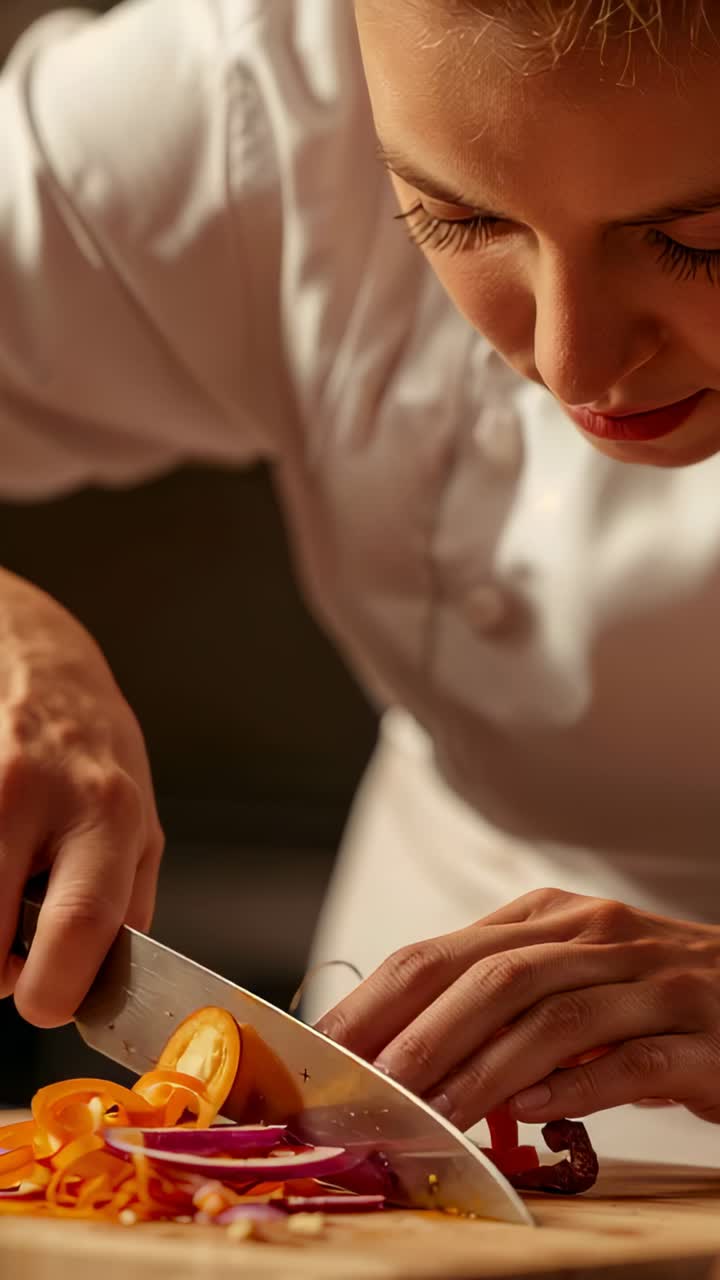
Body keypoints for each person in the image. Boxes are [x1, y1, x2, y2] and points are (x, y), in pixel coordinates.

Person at [1, 0, 719, 1166]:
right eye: (455, 215)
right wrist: (12, 637)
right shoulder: (260, 93)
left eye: (703, 240)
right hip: (423, 1067)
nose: (570, 361)